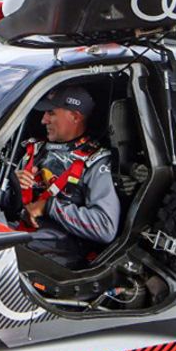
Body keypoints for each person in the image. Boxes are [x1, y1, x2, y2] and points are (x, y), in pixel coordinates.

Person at [14, 85, 119, 267]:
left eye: (51, 113)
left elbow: (105, 227)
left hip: (60, 250)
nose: (43, 120)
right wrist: (15, 187)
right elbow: (5, 204)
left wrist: (49, 207)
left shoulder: (96, 162)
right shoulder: (35, 149)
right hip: (22, 232)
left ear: (75, 117)